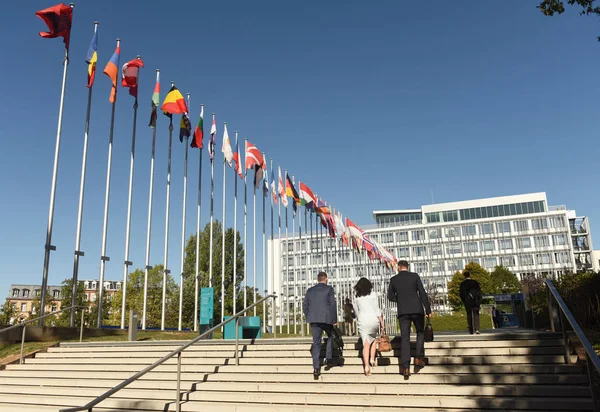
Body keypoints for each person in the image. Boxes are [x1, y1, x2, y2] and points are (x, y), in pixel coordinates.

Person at [387, 260, 431, 378]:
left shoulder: (394, 279)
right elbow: (422, 293)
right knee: (420, 332)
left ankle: (406, 367)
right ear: (407, 267)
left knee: (405, 338)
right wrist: (428, 310)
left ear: (399, 267)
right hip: (417, 309)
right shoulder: (414, 276)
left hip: (403, 312)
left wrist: (400, 299)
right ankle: (418, 357)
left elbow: (390, 296)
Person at [303, 271, 338, 379]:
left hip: (314, 319)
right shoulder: (329, 289)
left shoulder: (310, 290)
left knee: (316, 343)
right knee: (330, 336)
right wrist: (334, 319)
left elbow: (305, 305)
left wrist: (309, 315)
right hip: (326, 318)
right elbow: (332, 304)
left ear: (317, 279)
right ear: (326, 279)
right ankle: (328, 358)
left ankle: (316, 368)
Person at [353, 277, 384, 376]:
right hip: (373, 319)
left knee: (365, 343)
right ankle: (372, 359)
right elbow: (376, 309)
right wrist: (381, 322)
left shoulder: (356, 296)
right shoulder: (373, 294)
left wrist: (359, 318)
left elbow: (356, 310)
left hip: (362, 320)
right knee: (373, 339)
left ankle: (366, 365)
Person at [460, 270, 482, 334]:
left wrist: (464, 300)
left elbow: (461, 294)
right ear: (470, 275)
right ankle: (477, 328)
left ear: (464, 276)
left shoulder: (463, 284)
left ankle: (471, 329)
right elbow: (479, 292)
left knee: (469, 314)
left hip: (467, 301)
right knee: (476, 314)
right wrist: (479, 300)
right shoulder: (475, 282)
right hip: (476, 301)